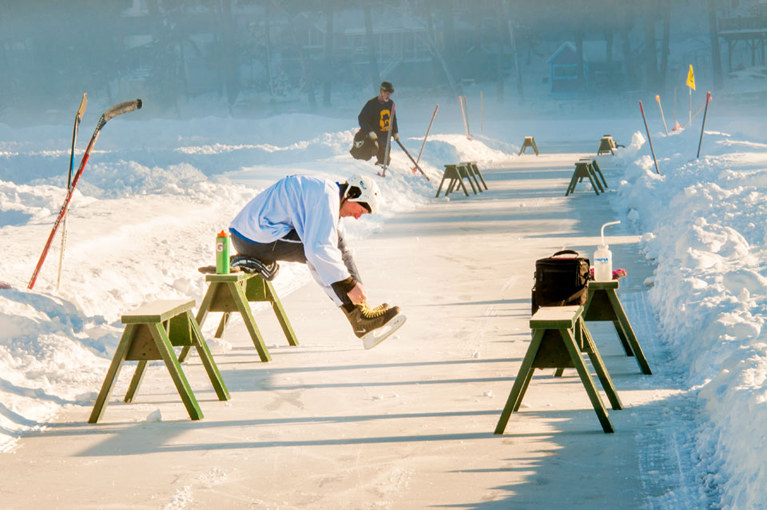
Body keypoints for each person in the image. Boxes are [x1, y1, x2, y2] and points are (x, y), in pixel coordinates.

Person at [229, 174, 406, 349]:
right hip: (251, 237)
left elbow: (342, 251)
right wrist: (349, 285)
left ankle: (361, 314)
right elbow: (318, 249)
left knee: (331, 247)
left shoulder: (329, 198)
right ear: (351, 194)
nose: (358, 217)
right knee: (318, 250)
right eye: (360, 210)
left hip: (253, 233)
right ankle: (357, 318)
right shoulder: (326, 196)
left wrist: (359, 290)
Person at [358, 81, 399, 167]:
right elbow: (362, 119)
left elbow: (393, 119)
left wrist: (395, 132)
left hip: (386, 136)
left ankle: (380, 171)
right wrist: (370, 131)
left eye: (390, 94)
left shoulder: (391, 104)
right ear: (381, 92)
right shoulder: (372, 104)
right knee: (380, 158)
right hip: (375, 136)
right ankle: (370, 170)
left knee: (385, 161)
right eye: (387, 93)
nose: (388, 96)